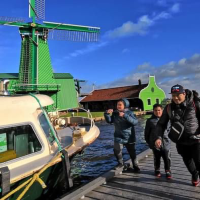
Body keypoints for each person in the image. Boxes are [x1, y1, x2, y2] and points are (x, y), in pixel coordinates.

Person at [155, 84, 200, 186]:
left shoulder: (195, 103)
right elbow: (161, 124)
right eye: (173, 95)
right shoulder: (169, 108)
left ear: (184, 93)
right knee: (188, 161)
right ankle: (194, 174)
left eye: (178, 95)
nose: (175, 98)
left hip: (196, 139)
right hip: (181, 141)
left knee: (199, 162)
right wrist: (158, 137)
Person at [104, 98, 140, 172]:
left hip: (129, 136)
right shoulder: (115, 113)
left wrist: (125, 116)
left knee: (132, 152)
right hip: (118, 136)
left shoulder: (130, 113)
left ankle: (135, 165)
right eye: (117, 105)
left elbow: (135, 122)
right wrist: (106, 114)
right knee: (117, 150)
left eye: (120, 105)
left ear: (125, 105)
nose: (118, 106)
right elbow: (110, 121)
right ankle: (121, 163)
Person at [145, 104, 171, 178]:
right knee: (157, 157)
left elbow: (170, 130)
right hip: (155, 143)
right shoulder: (150, 121)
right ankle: (157, 169)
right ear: (153, 111)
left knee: (167, 157)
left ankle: (168, 170)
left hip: (166, 142)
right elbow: (147, 133)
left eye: (159, 110)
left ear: (162, 110)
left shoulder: (167, 120)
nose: (157, 112)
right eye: (155, 110)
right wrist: (149, 142)